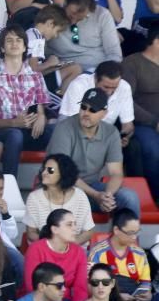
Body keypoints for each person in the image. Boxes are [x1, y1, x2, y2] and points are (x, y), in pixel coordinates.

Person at [46, 87, 140, 216]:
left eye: (93, 110)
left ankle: (125, 236)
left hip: (91, 187)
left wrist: (107, 195)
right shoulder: (64, 128)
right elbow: (63, 173)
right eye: (83, 107)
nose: (86, 113)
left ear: (104, 113)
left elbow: (116, 173)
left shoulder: (111, 132)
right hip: (62, 188)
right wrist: (96, 195)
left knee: (129, 197)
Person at [0, 24, 52, 177]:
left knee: (56, 131)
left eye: (19, 40)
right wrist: (14, 123)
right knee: (15, 135)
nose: (14, 44)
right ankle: (9, 186)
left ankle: (53, 184)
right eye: (9, 41)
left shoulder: (35, 76)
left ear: (25, 47)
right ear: (2, 48)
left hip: (30, 131)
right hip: (4, 133)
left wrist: (42, 117)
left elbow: (40, 112)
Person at [59, 61, 135, 149]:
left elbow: (128, 124)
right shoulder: (79, 85)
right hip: (75, 132)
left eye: (114, 88)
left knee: (133, 146)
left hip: (105, 136)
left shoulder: (124, 87)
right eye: (106, 87)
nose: (110, 92)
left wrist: (123, 136)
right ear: (95, 79)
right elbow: (73, 123)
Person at [24, 153, 95, 245]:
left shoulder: (79, 196)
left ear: (63, 173)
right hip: (45, 252)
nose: (44, 173)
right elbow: (31, 233)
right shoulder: (34, 197)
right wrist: (53, 245)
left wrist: (70, 245)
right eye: (43, 169)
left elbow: (88, 232)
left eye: (50, 170)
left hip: (74, 250)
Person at [46, 0, 122, 72]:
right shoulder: (51, 17)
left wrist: (104, 73)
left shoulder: (102, 15)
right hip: (66, 71)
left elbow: (114, 53)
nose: (73, 22)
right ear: (65, 4)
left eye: (80, 19)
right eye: (71, 16)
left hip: (97, 71)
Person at [23, 209, 89, 301]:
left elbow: (81, 288)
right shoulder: (36, 249)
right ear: (55, 229)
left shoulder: (79, 252)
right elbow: (32, 287)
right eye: (69, 224)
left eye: (75, 224)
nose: (75, 228)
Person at [124, 24, 159, 199]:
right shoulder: (132, 63)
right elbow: (126, 100)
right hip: (143, 123)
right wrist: (154, 122)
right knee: (153, 150)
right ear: (156, 42)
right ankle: (155, 196)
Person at [87, 209, 152, 299]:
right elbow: (90, 286)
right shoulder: (98, 252)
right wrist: (117, 296)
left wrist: (147, 295)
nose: (134, 237)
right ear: (116, 230)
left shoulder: (140, 253)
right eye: (130, 233)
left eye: (137, 232)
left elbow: (146, 283)